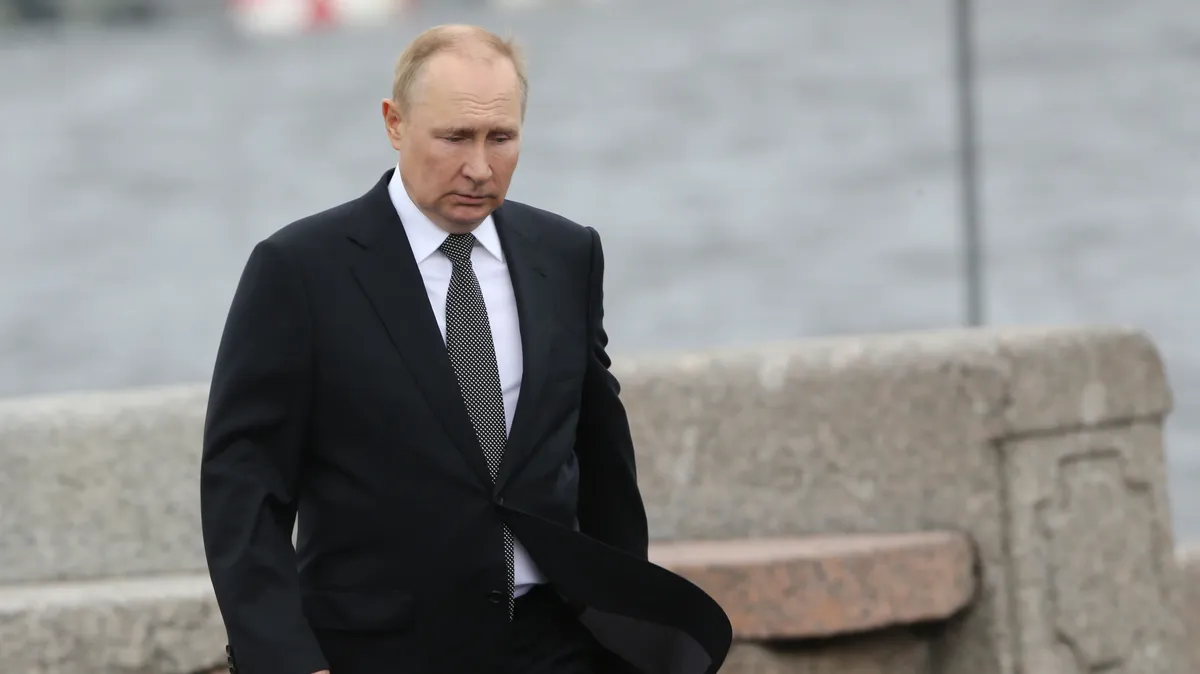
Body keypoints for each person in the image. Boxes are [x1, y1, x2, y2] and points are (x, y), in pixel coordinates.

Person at [200, 24, 732, 674]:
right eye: (455, 137)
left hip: (556, 645)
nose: (480, 167)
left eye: (500, 138)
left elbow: (602, 460)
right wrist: (286, 660)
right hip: (377, 651)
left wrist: (626, 635)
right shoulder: (300, 270)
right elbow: (244, 487)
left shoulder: (566, 254)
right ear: (395, 123)